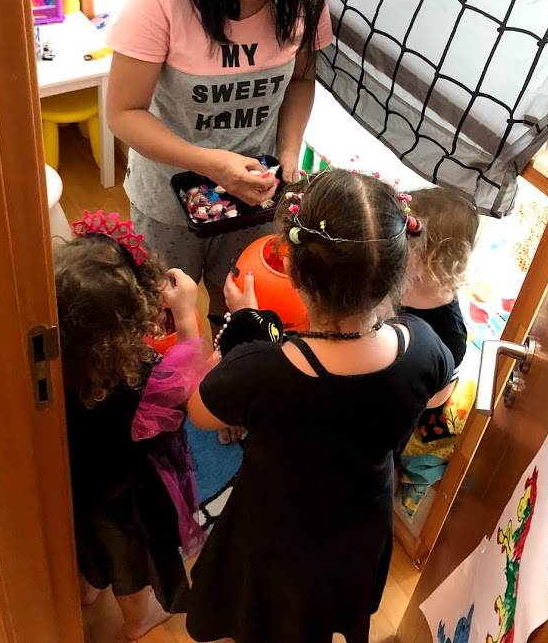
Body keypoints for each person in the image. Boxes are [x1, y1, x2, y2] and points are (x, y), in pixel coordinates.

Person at [183, 169, 455, 643]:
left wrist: (243, 322)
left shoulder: (260, 368)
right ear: (400, 269)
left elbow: (200, 412)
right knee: (327, 611)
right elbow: (437, 395)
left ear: (292, 270)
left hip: (276, 526)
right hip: (359, 524)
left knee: (266, 615)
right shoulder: (424, 345)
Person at [105, 0, 337, 316]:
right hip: (169, 200)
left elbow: (300, 80)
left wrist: (289, 154)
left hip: (255, 199)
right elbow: (123, 114)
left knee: (241, 318)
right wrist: (211, 164)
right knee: (165, 320)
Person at [55, 210, 201, 640]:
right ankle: (138, 620)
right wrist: (187, 315)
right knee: (129, 558)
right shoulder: (139, 382)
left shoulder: (47, 361)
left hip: (71, 482)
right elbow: (190, 388)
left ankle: (86, 589)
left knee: (84, 540)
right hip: (126, 497)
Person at [397, 186, 479, 372]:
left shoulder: (449, 336)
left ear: (436, 258)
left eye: (401, 240)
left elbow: (441, 385)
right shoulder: (389, 277)